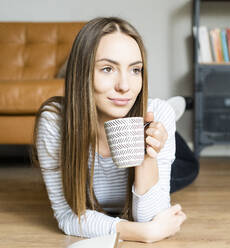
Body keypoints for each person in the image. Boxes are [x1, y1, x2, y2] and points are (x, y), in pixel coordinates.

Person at [32, 17, 198, 243]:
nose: (125, 86)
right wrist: (143, 233)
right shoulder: (55, 122)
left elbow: (150, 216)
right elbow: (67, 216)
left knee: (189, 168)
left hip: (150, 125)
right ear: (82, 73)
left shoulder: (157, 117)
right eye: (108, 69)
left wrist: (148, 157)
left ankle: (172, 110)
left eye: (135, 70)